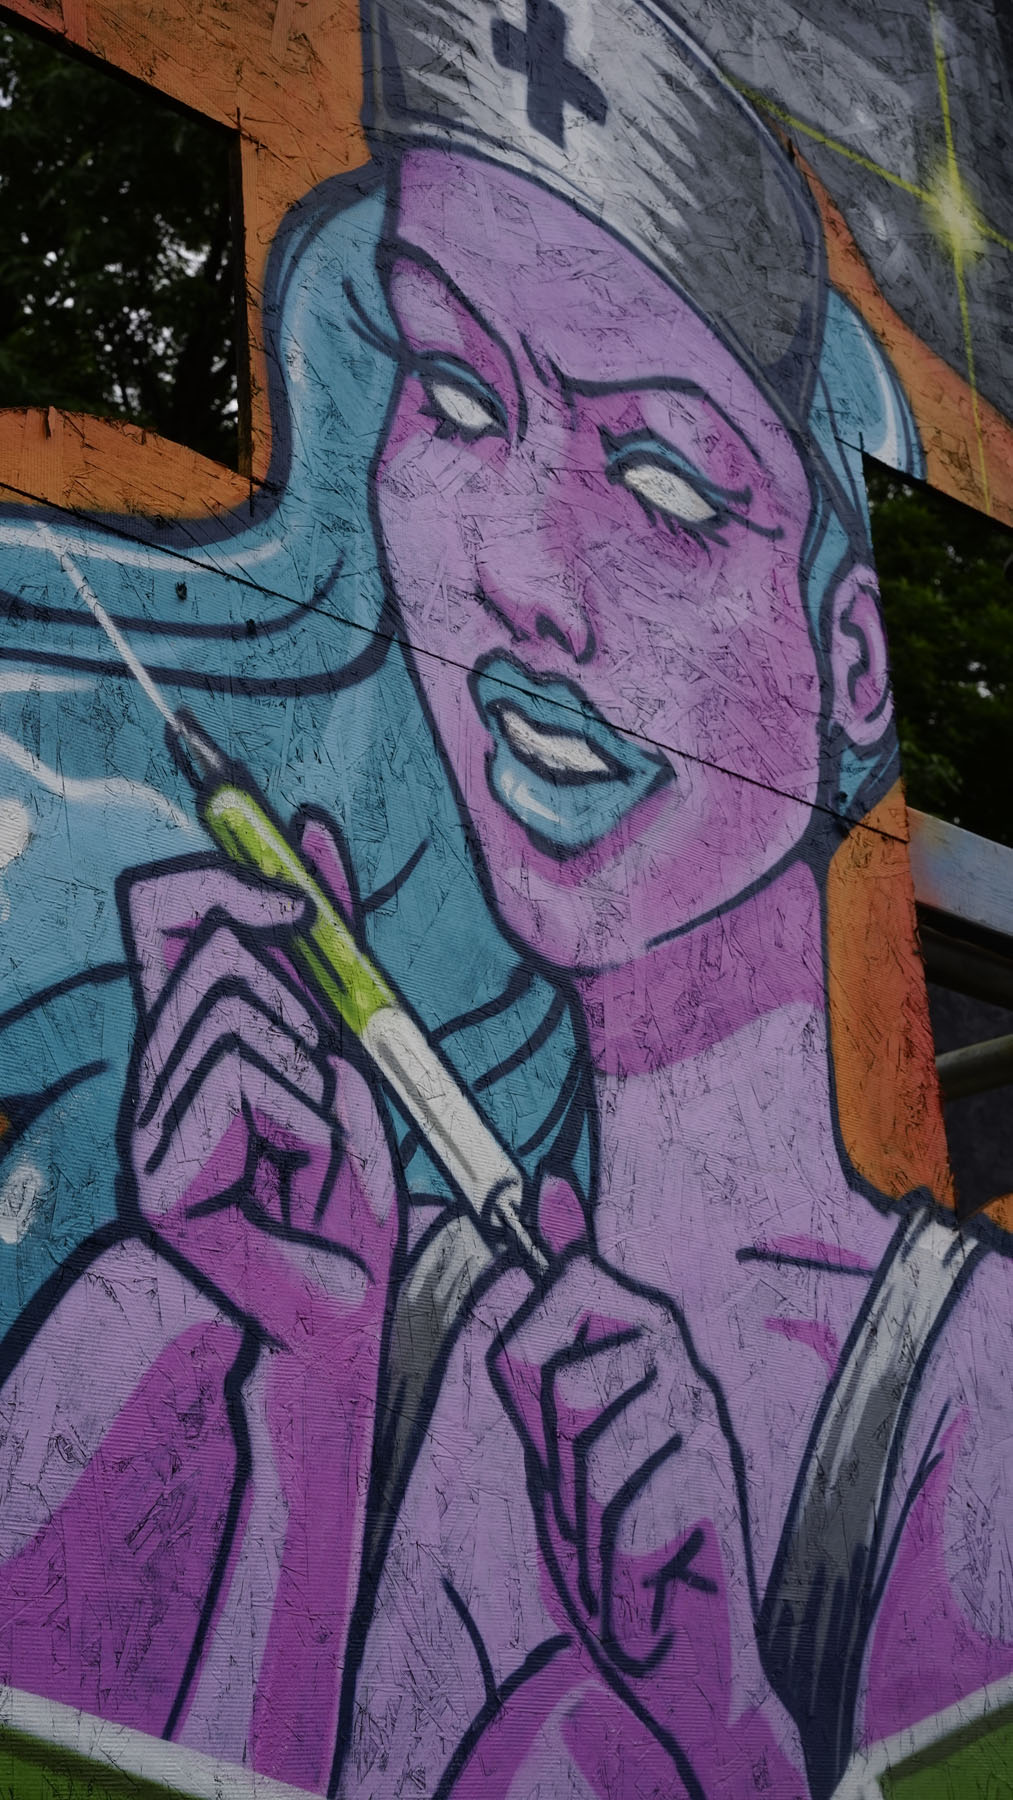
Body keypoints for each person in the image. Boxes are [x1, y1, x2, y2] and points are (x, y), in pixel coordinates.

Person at [1, 3, 1011, 1798]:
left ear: (853, 665)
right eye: (455, 398)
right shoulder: (173, 1337)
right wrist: (312, 1402)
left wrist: (724, 1717)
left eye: (661, 480)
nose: (522, 582)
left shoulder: (973, 1407)